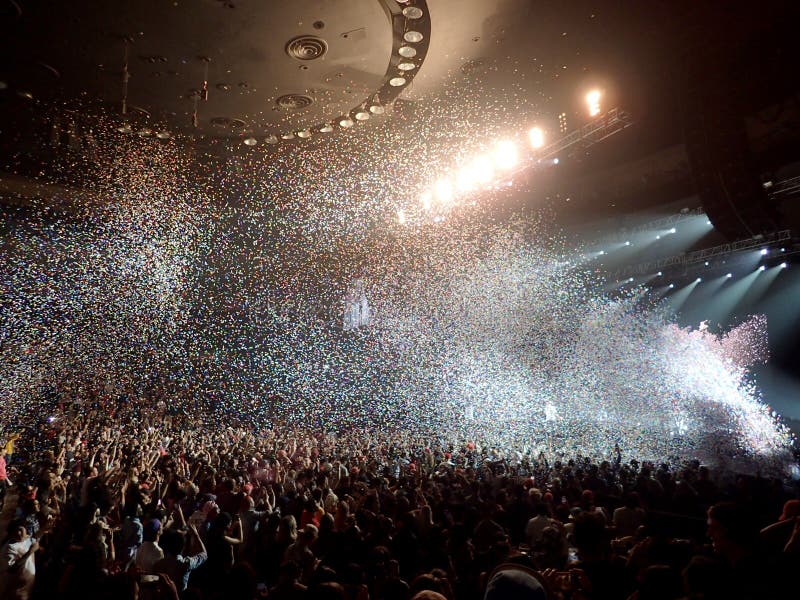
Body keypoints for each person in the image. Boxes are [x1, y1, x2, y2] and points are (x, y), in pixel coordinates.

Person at [152, 523, 207, 593]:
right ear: (183, 547)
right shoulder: (186, 563)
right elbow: (204, 554)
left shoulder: (158, 564)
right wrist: (196, 535)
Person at [0, 520, 39, 600]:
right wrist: (30, 552)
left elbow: (34, 541)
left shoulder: (28, 539)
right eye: (14, 531)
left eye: (20, 529)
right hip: (15, 591)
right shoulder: (9, 547)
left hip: (27, 588)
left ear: (25, 529)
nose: (18, 533)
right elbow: (11, 569)